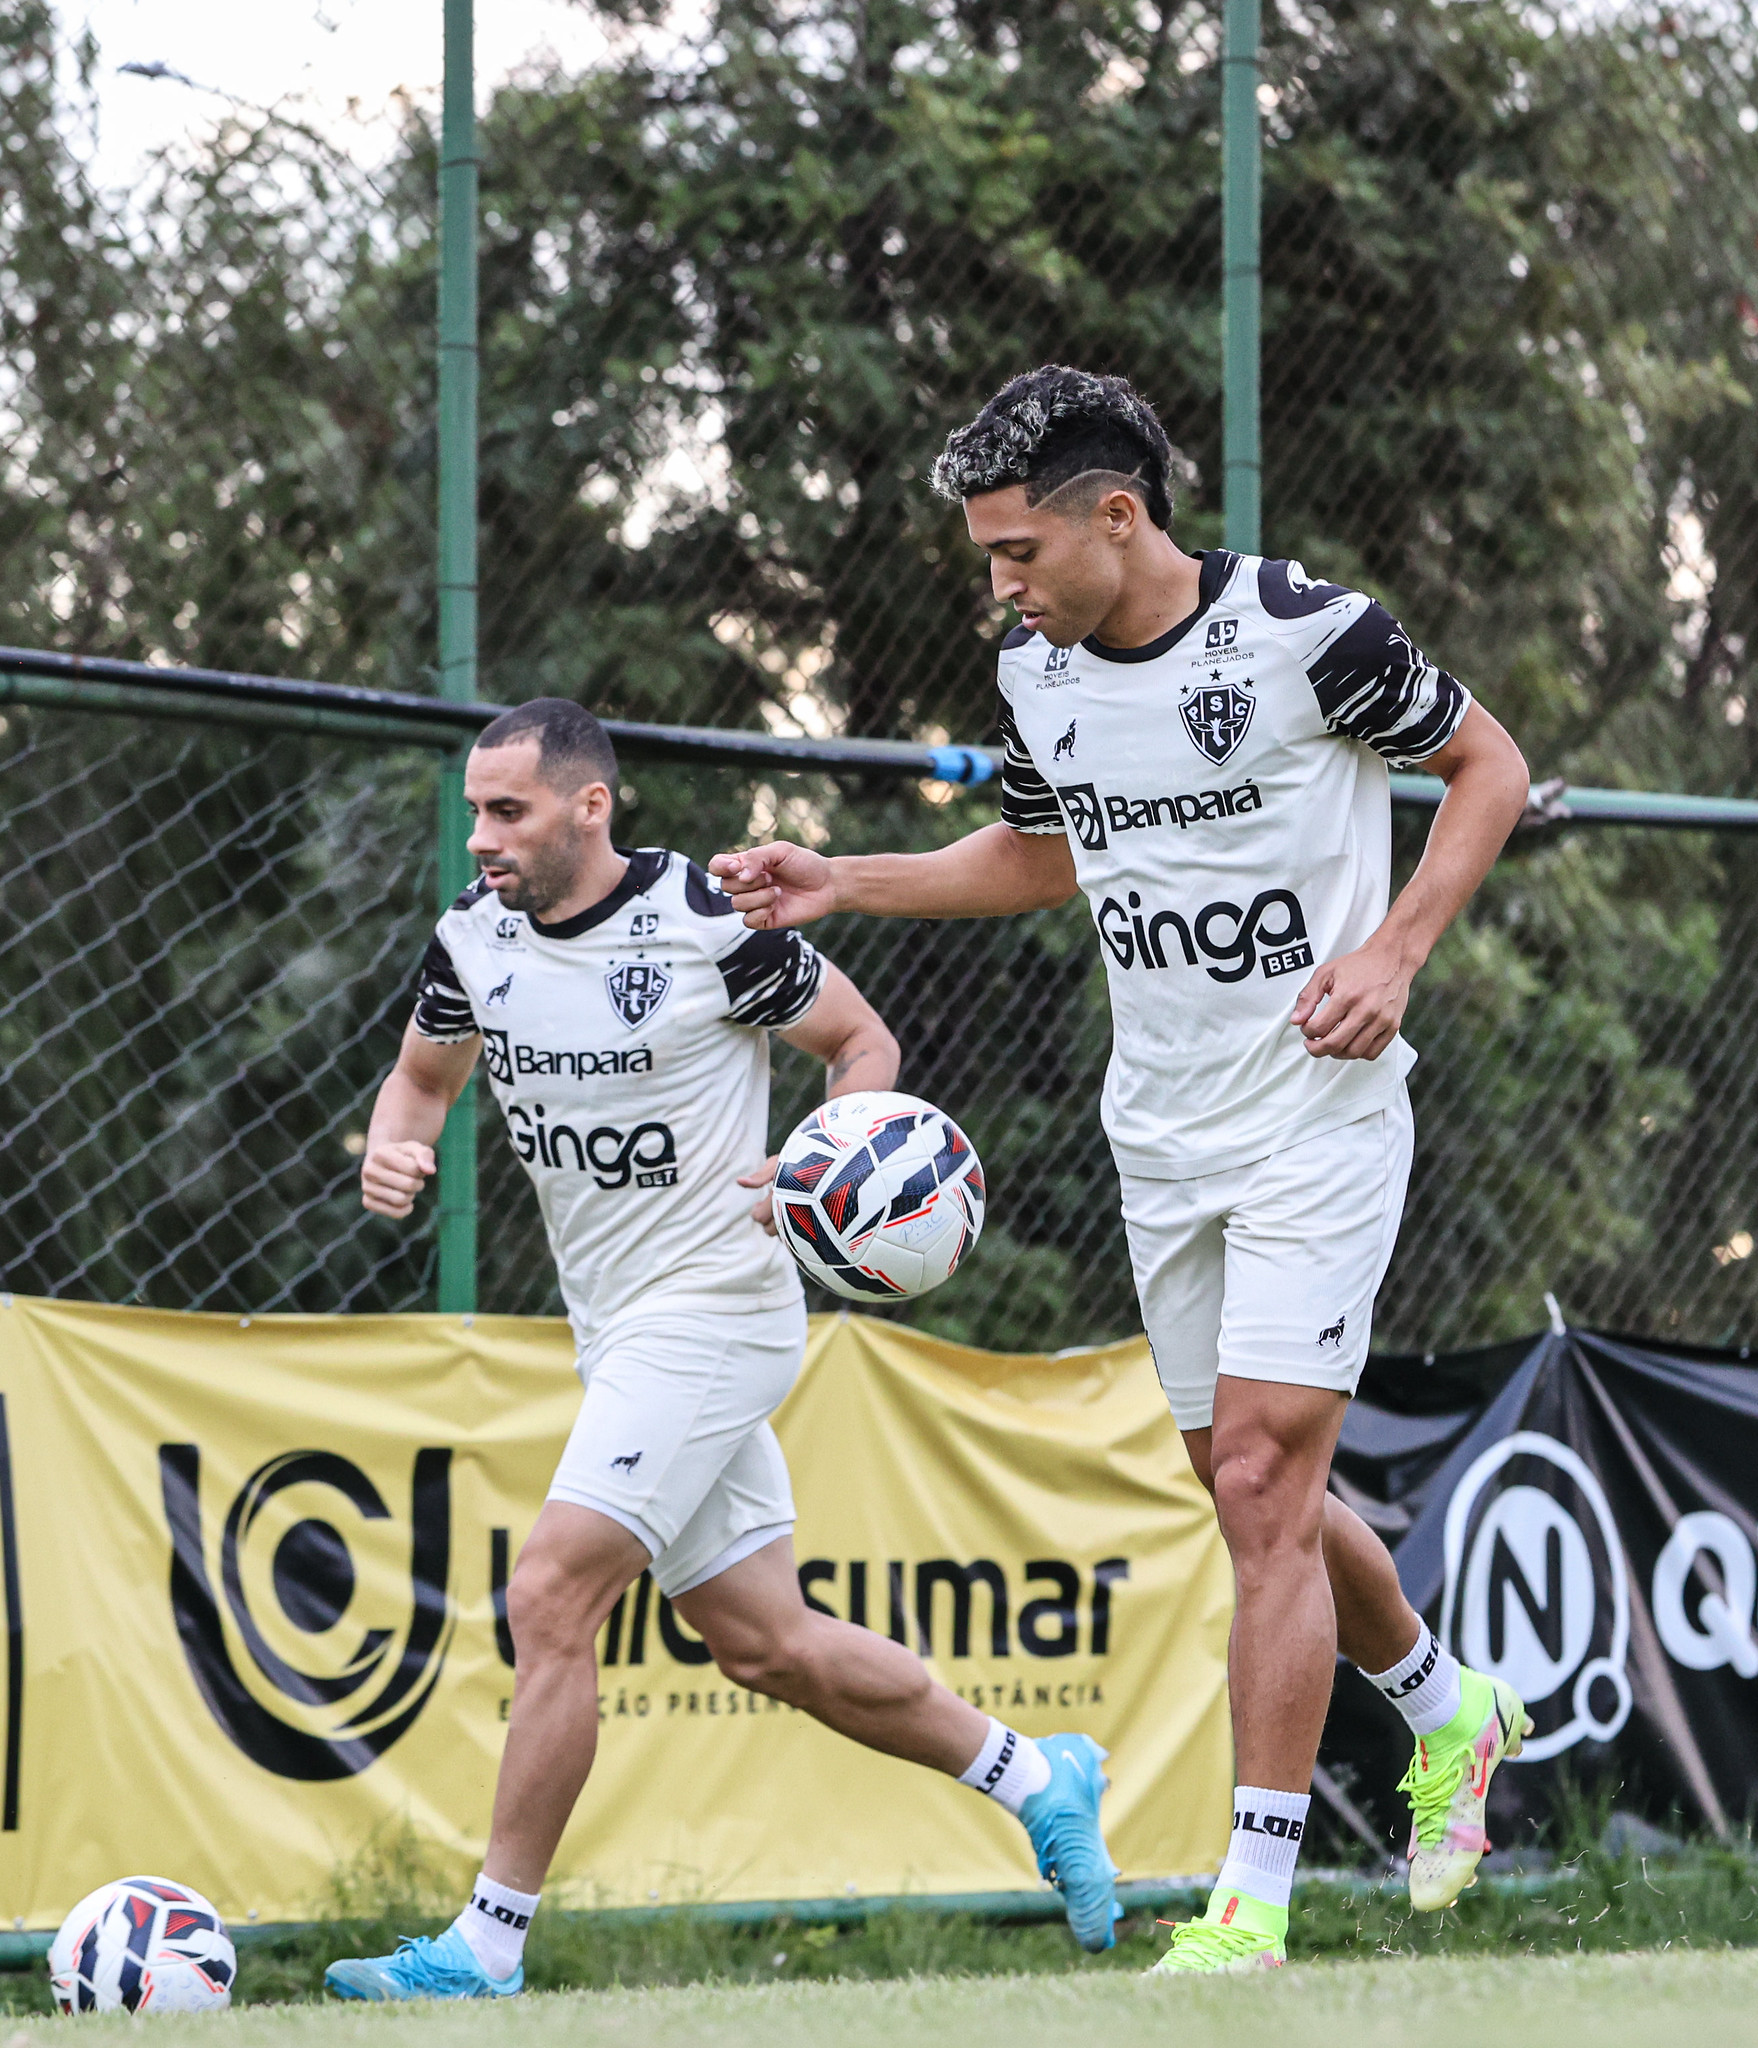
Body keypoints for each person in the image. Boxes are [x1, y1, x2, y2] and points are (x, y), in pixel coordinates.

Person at [712, 368, 1536, 1974]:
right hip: (1159, 1135)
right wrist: (849, 877)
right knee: (1251, 1501)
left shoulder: (1309, 631)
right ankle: (1452, 1707)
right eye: (988, 559)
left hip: (1319, 1112)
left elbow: (1489, 768)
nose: (1000, 587)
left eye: (1019, 552)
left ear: (1120, 513)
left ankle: (1251, 1902)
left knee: (1258, 1489)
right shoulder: (1045, 673)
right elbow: (1040, 852)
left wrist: (1397, 951)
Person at [325, 697, 1118, 2003]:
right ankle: (1038, 1776)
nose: (482, 837)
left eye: (507, 811)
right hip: (616, 1332)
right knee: (767, 1644)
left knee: (549, 1596)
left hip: (720, 1312)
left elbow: (863, 1044)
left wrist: (821, 1169)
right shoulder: (471, 941)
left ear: (592, 807)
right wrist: (393, 1143)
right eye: (474, 810)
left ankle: (485, 1946)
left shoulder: (706, 923)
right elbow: (421, 1077)